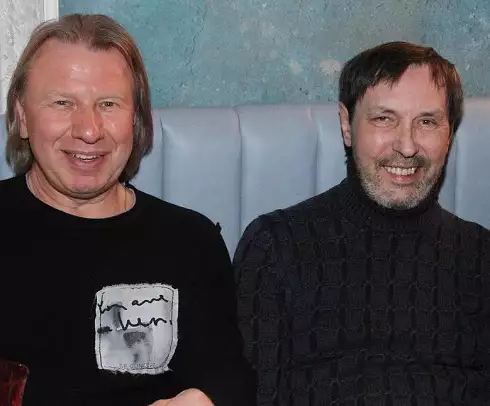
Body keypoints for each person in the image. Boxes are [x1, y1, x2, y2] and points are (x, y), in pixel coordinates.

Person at [0, 13, 256, 406]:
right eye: (62, 103)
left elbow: (229, 377)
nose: (88, 130)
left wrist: (206, 398)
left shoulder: (190, 241)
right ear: (21, 116)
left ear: (135, 120)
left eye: (108, 104)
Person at [234, 41, 490, 405]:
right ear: (346, 124)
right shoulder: (276, 246)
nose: (407, 146)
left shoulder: (481, 256)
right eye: (384, 119)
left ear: (449, 134)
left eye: (427, 122)